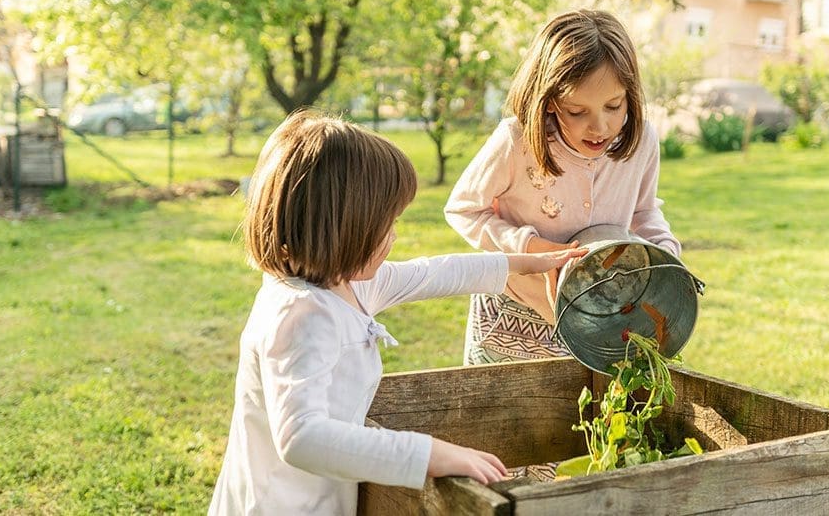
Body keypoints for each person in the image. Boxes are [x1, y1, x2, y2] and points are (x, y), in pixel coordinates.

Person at [209, 110, 586, 515]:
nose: (394, 236)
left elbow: (433, 273)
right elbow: (301, 437)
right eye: (386, 225)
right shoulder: (301, 316)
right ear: (345, 229)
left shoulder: (345, 285)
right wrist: (427, 454)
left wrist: (520, 263)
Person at [444, 9, 682, 365]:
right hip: (510, 316)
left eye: (614, 106)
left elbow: (643, 211)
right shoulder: (517, 140)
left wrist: (667, 253)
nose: (599, 126)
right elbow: (463, 209)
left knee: (580, 415)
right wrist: (530, 248)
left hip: (597, 313)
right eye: (577, 111)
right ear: (551, 100)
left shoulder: (642, 140)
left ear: (629, 94)